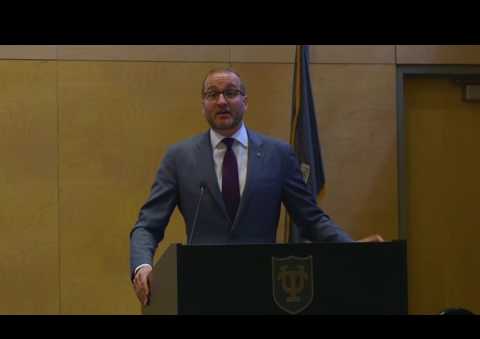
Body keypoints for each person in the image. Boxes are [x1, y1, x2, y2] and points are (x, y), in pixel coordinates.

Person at [130, 68, 383, 306]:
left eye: (230, 93)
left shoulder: (279, 155)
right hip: (200, 289)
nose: (221, 101)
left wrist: (351, 249)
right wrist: (143, 266)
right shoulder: (179, 158)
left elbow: (311, 219)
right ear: (203, 105)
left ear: (245, 101)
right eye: (212, 94)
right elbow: (148, 225)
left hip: (265, 290)